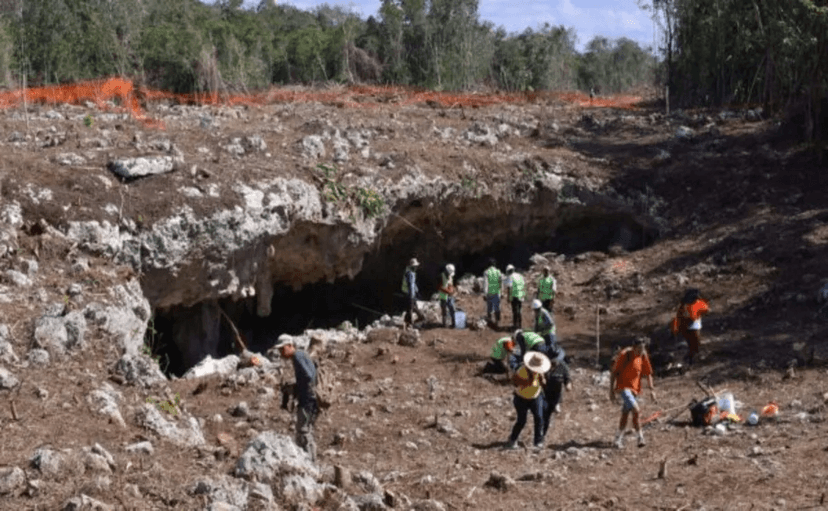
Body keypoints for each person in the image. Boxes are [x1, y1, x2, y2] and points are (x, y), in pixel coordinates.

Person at [275, 337, 319, 461]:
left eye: (282, 349)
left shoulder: (298, 356)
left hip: (308, 400)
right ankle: (309, 460)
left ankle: (310, 462)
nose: (281, 353)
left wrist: (295, 385)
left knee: (303, 431)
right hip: (311, 399)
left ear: (290, 345)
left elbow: (309, 376)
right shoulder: (302, 354)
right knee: (306, 430)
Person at [609, 337, 656, 448]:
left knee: (625, 414)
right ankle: (640, 437)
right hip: (623, 387)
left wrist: (652, 390)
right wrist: (611, 391)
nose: (641, 351)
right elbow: (613, 373)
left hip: (635, 389)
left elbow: (648, 373)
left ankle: (617, 439)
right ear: (634, 347)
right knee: (636, 409)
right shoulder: (625, 354)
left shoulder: (643, 355)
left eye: (643, 348)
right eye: (639, 348)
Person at [505, 350, 550, 450]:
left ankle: (538, 441)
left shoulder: (540, 372)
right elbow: (515, 382)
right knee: (522, 420)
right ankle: (513, 439)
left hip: (535, 396)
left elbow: (543, 382)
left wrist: (543, 381)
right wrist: (528, 382)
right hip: (521, 398)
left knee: (539, 417)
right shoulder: (522, 371)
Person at [670, 288, 710, 365]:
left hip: (688, 326)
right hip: (692, 326)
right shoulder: (692, 304)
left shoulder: (684, 305)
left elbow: (706, 309)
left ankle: (690, 360)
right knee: (695, 345)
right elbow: (707, 310)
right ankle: (691, 360)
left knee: (692, 345)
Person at [541, 345, 572, 439]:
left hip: (555, 396)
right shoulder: (543, 365)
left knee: (547, 417)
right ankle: (539, 436)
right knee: (541, 415)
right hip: (543, 394)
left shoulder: (563, 367)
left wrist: (568, 386)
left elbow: (568, 379)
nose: (553, 363)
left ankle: (542, 436)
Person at [401, 258, 424, 329]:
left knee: (411, 308)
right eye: (416, 266)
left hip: (409, 293)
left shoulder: (410, 272)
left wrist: (416, 291)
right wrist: (412, 295)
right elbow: (411, 285)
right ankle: (410, 324)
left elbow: (413, 284)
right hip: (410, 294)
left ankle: (413, 321)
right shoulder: (411, 273)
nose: (417, 267)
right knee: (410, 308)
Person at [482, 258, 503, 328]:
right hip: (497, 293)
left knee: (489, 308)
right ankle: (497, 322)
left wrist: (485, 293)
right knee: (497, 307)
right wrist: (501, 292)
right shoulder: (498, 272)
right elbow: (501, 283)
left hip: (489, 293)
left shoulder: (486, 272)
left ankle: (490, 321)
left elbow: (485, 283)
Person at [504, 264, 526, 330]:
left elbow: (509, 288)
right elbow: (523, 284)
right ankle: (520, 324)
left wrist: (508, 297)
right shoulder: (519, 275)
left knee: (515, 311)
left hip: (514, 295)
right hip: (521, 294)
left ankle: (515, 325)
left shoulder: (510, 277)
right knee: (519, 310)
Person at [438, 263, 457, 328]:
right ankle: (444, 324)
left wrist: (451, 290)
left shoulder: (450, 276)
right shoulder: (441, 276)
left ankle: (454, 323)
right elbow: (439, 287)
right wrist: (448, 291)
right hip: (443, 296)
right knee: (444, 310)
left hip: (450, 296)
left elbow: (451, 285)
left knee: (452, 309)